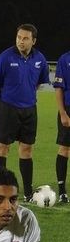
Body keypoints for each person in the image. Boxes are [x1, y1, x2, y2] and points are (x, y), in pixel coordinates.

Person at [0, 24, 50, 201]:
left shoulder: (40, 59)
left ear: (33, 40)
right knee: (2, 148)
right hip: (7, 108)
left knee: (27, 149)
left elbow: (38, 83)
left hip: (30, 109)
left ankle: (28, 192)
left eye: (25, 38)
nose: (21, 41)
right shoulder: (5, 57)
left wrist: (26, 96)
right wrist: (6, 100)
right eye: (18, 37)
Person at [54, 49, 70, 203]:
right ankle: (62, 191)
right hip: (69, 109)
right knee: (65, 148)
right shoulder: (64, 59)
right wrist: (63, 113)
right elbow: (58, 88)